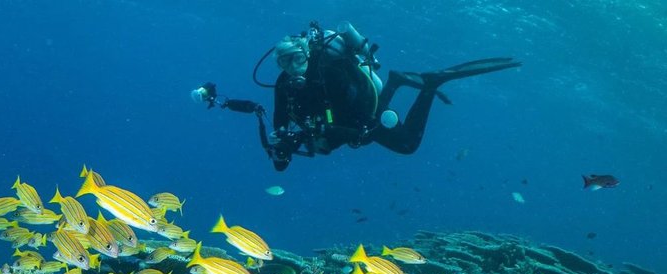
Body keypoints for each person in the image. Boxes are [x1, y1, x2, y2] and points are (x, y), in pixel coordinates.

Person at [195, 22, 519, 171]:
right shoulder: (283, 83)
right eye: (284, 61)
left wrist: (328, 131)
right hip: (341, 125)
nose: (291, 67)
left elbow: (360, 116)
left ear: (307, 53)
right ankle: (396, 80)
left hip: (362, 112)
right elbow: (279, 120)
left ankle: (431, 85)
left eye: (296, 58)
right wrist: (282, 144)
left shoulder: (330, 72)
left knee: (406, 144)